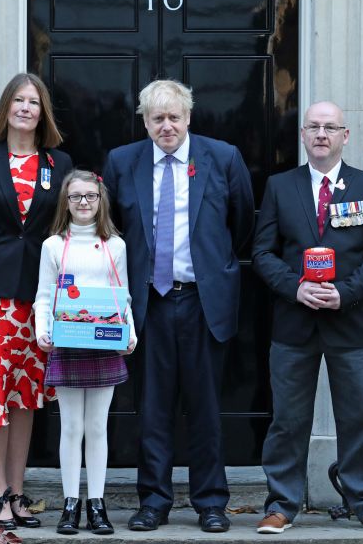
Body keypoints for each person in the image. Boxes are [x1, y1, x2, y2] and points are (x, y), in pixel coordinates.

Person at [102, 79, 254, 533]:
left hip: (203, 301)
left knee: (206, 407)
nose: (166, 126)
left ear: (188, 117)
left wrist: (212, 268)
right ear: (145, 121)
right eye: (157, 118)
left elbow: (241, 223)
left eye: (174, 117)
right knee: (152, 408)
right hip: (147, 303)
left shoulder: (222, 157)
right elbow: (110, 228)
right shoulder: (122, 162)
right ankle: (154, 501)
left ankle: (211, 503)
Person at [251, 101, 363, 535]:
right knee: (288, 419)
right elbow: (262, 252)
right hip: (293, 324)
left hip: (349, 323)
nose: (321, 134)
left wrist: (345, 292)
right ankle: (281, 503)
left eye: (330, 127)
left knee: (359, 418)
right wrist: (296, 286)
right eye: (313, 127)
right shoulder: (281, 186)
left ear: (344, 135)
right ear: (302, 134)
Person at [0, 73, 73, 541]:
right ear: (6, 108)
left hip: (37, 296)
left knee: (25, 395)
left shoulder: (58, 162)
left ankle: (18, 491)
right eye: (19, 100)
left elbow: (66, 228)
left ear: (43, 113)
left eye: (34, 102)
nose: (26, 108)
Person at [33, 170, 138, 536]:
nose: (83, 203)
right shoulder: (52, 246)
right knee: (71, 426)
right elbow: (44, 295)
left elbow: (121, 294)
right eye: (76, 196)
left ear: (100, 200)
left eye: (90, 197)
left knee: (96, 427)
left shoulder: (115, 246)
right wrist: (41, 331)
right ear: (66, 200)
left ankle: (97, 504)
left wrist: (131, 332)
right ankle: (70, 504)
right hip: (66, 341)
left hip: (105, 342)